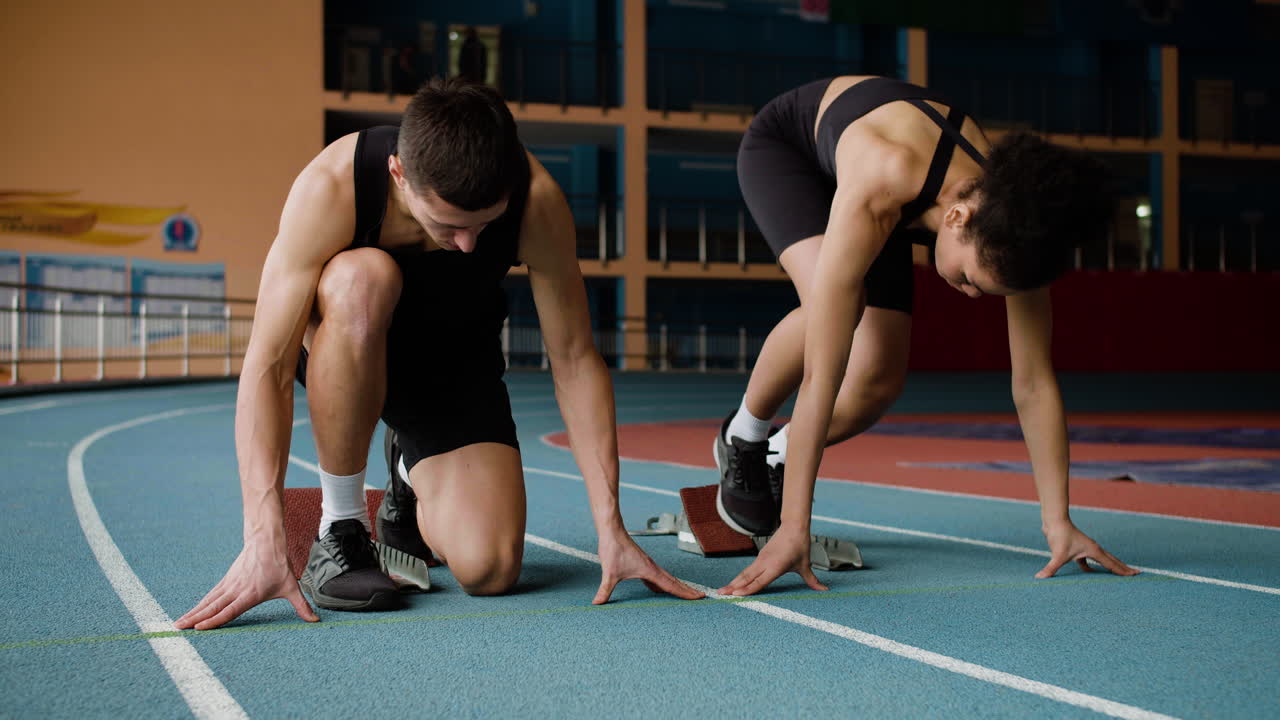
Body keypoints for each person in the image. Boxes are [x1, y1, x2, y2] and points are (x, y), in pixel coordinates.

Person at [177, 78, 701, 631]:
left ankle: (407, 473)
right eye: (451, 224)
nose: (471, 245)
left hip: (453, 359)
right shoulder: (335, 185)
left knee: (491, 568)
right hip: (347, 338)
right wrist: (263, 537)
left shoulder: (536, 200)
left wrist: (610, 528)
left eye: (485, 224)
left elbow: (573, 359)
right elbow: (268, 364)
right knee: (363, 278)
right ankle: (343, 529)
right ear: (399, 174)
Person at [714, 75, 1138, 597]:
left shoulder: (1020, 226)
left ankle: (782, 451)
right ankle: (746, 436)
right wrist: (793, 527)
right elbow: (823, 371)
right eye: (969, 280)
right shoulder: (884, 177)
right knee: (838, 313)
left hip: (899, 189)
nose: (973, 297)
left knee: (879, 380)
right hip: (794, 154)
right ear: (957, 219)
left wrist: (1059, 524)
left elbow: (1033, 382)